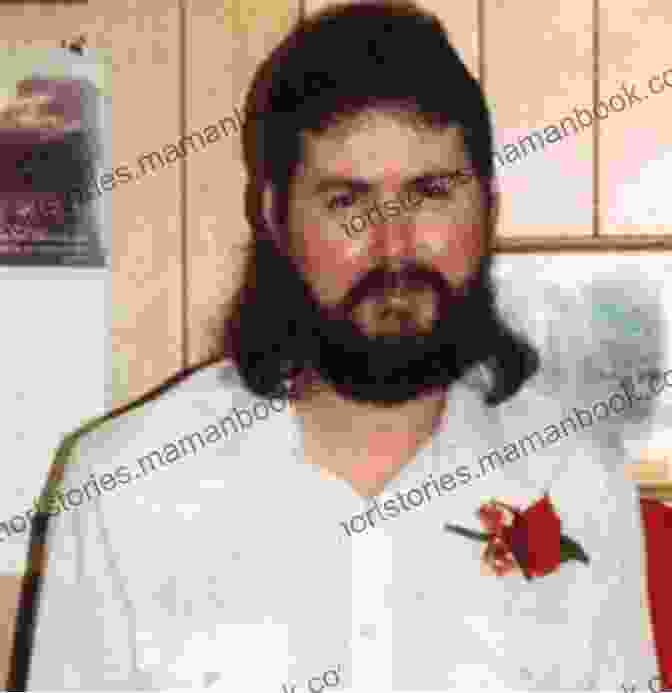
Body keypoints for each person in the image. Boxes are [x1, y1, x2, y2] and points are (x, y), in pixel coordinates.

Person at [26, 1, 661, 690]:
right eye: (346, 202)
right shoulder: (123, 490)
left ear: (489, 204)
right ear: (274, 217)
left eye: (431, 193)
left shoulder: (582, 486)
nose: (393, 248)